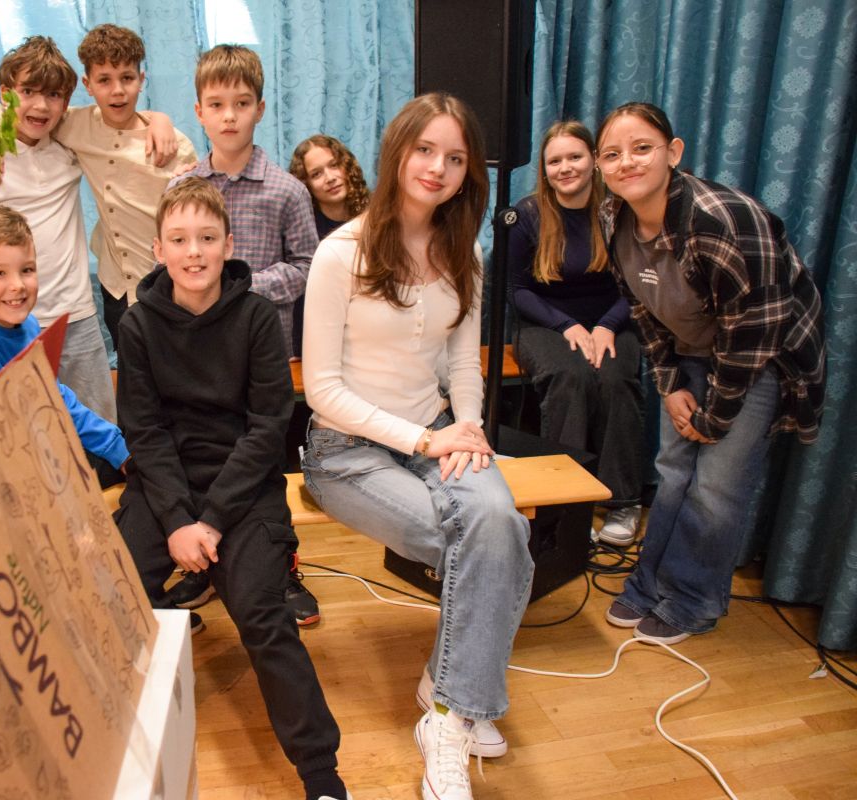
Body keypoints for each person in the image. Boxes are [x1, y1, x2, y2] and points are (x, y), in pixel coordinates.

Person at [301, 93, 533, 800]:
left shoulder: (465, 254)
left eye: (455, 158)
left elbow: (464, 364)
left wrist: (469, 428)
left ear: (469, 174)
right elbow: (322, 389)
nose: (437, 167)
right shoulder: (341, 253)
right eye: (425, 150)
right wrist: (428, 437)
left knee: (500, 527)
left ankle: (446, 711)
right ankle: (460, 698)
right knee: (497, 544)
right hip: (345, 451)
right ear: (397, 151)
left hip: (438, 434)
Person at [113, 178, 349, 800]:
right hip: (165, 485)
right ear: (158, 249)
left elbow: (269, 427)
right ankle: (110, 743)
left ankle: (321, 773)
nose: (194, 252)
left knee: (262, 615)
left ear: (229, 245)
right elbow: (144, 430)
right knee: (113, 592)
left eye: (207, 238)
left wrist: (211, 520)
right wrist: (177, 520)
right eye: (179, 240)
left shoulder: (256, 319)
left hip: (241, 491)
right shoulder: (137, 325)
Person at [596, 102, 825, 645]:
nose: (627, 162)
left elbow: (754, 333)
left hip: (759, 357)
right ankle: (649, 585)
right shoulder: (612, 216)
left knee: (716, 486)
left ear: (673, 153)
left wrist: (715, 416)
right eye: (612, 154)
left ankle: (693, 601)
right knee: (674, 470)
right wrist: (671, 383)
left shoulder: (723, 219)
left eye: (642, 148)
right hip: (689, 351)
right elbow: (641, 306)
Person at [162, 44, 320, 624]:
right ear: (199, 112)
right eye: (216, 104)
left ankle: (282, 566)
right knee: (202, 455)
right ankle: (203, 566)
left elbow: (308, 266)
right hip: (196, 356)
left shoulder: (286, 190)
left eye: (242, 103)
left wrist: (244, 286)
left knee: (262, 460)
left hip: (261, 354)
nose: (229, 115)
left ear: (260, 109)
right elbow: (168, 266)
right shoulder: (181, 188)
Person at [0, 24, 197, 351]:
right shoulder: (72, 124)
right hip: (115, 287)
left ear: (141, 80)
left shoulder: (171, 144)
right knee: (132, 370)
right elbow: (16, 106)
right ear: (88, 85)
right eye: (104, 80)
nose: (117, 91)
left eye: (127, 78)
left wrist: (160, 119)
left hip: (168, 283)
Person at [0, 35, 118, 423]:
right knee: (20, 433)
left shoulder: (69, 144)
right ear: (6, 94)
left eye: (54, 95)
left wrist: (160, 123)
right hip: (7, 321)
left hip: (75, 315)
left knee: (98, 427)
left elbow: (120, 123)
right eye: (28, 92)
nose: (41, 106)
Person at [0, 206, 128, 488]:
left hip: (22, 453)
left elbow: (54, 398)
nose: (17, 285)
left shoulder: (27, 325)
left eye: (26, 270)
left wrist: (119, 450)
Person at [506, 120, 644, 546]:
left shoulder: (619, 212)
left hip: (612, 319)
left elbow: (638, 284)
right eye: (555, 161)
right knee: (571, 377)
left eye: (575, 157)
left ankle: (623, 501)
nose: (565, 167)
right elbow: (515, 289)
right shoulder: (526, 216)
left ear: (595, 161)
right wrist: (566, 325)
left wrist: (607, 326)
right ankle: (565, 503)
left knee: (615, 380)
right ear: (544, 169)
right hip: (544, 322)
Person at [288, 133, 371, 356]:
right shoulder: (302, 228)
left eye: (334, 165)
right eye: (316, 174)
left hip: (367, 338)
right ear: (306, 184)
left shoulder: (375, 218)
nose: (330, 178)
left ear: (347, 167)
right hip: (316, 338)